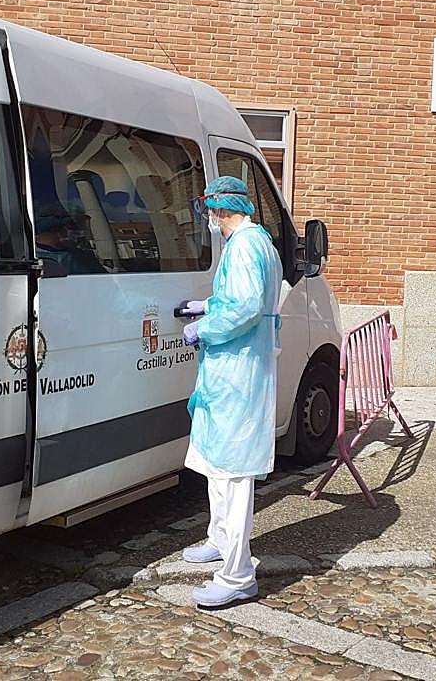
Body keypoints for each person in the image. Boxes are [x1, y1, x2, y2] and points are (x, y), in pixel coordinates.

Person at [180, 175, 282, 608]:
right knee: (215, 465)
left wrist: (203, 325)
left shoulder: (242, 246)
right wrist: (209, 303)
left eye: (209, 214)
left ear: (218, 211)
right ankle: (220, 540)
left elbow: (242, 308)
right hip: (234, 373)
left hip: (238, 374)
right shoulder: (257, 241)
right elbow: (243, 297)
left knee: (232, 474)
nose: (209, 222)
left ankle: (238, 575)